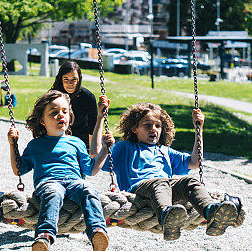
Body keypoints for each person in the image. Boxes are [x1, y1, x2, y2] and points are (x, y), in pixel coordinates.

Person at [92, 97, 238, 241]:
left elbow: (195, 162)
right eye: (147, 125)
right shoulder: (125, 148)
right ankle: (167, 217)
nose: (153, 129)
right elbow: (96, 155)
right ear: (134, 128)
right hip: (138, 191)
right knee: (160, 183)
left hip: (165, 188)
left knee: (190, 181)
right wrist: (100, 119)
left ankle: (211, 212)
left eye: (157, 126)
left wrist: (198, 128)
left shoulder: (165, 151)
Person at [8, 90, 111, 251]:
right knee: (54, 192)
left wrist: (106, 150)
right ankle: (44, 237)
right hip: (49, 182)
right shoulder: (35, 145)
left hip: (74, 182)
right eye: (54, 113)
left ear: (70, 116)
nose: (60, 116)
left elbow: (91, 170)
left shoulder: (76, 142)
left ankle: (97, 233)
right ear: (42, 120)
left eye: (64, 111)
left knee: (88, 189)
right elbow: (19, 169)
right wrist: (13, 145)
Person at [51, 61, 98, 153]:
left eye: (74, 79)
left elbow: (93, 126)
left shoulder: (87, 97)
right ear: (61, 79)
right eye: (66, 79)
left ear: (79, 79)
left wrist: (92, 151)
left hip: (82, 140)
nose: (70, 83)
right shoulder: (53, 97)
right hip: (58, 139)